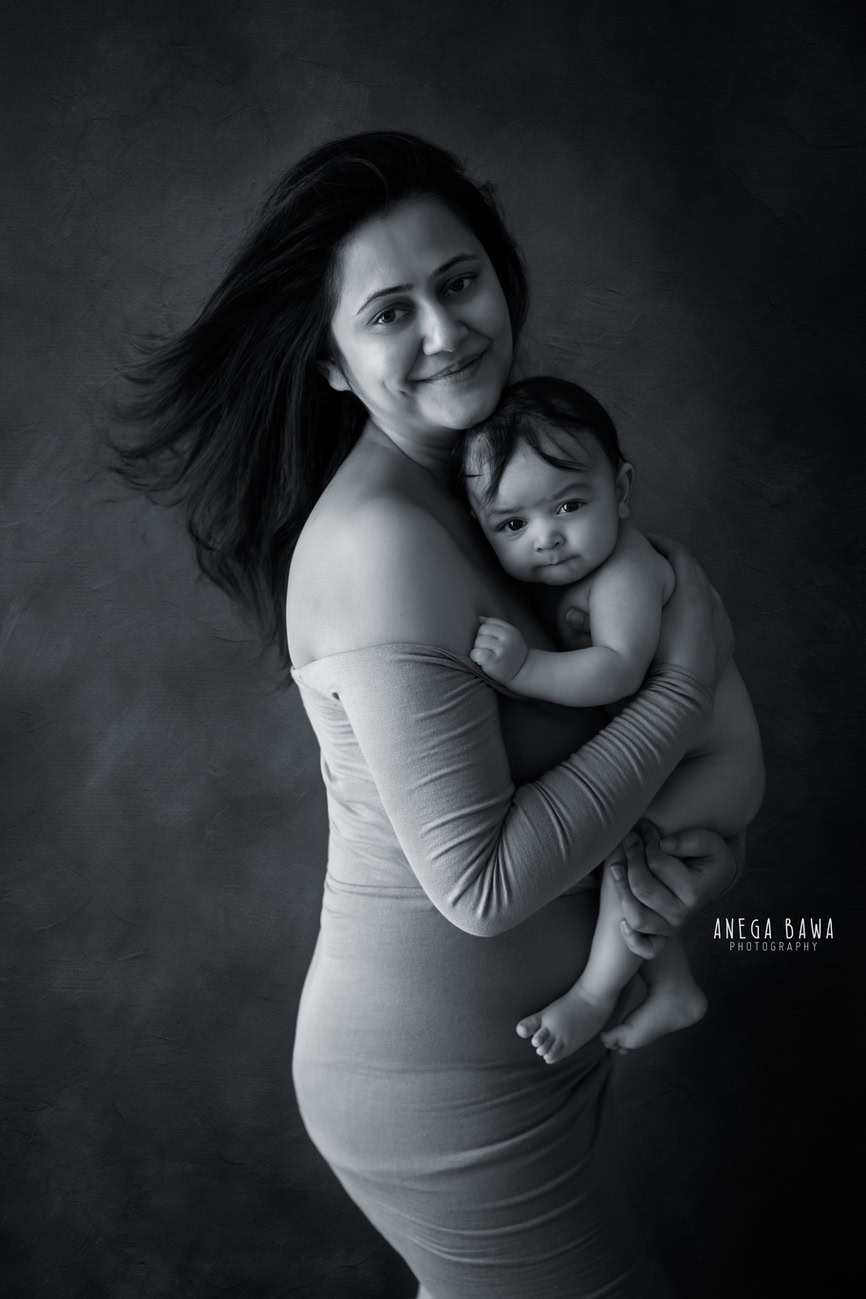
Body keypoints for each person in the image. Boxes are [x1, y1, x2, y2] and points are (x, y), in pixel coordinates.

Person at [113, 131, 746, 1299]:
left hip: (529, 1052)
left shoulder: (497, 488)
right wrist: (680, 691)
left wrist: (682, 864)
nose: (445, 332)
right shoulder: (385, 543)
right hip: (443, 1090)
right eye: (390, 312)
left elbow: (583, 777)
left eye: (458, 283)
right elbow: (482, 887)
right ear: (333, 361)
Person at [460, 377, 764, 1064]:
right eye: (512, 524)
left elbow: (619, 669)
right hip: (682, 759)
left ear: (620, 490)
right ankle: (674, 985)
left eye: (570, 504)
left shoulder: (626, 567)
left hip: (714, 765)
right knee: (642, 859)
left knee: (629, 853)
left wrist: (524, 669)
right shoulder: (568, 571)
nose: (547, 537)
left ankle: (595, 995)